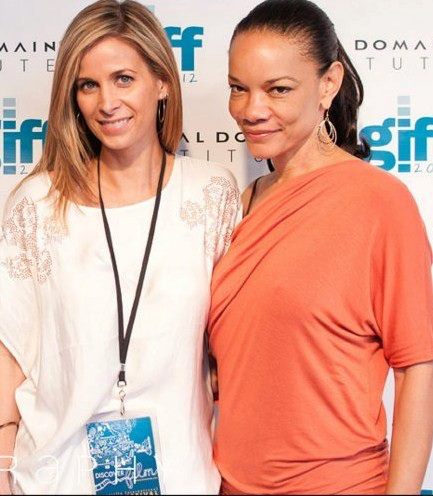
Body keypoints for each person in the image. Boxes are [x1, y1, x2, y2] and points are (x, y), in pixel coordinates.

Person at [0, 1, 241, 494]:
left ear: (163, 82)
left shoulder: (211, 194)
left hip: (183, 477)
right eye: (88, 85)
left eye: (124, 79)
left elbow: (235, 346)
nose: (106, 102)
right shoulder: (38, 204)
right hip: (54, 478)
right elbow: (10, 354)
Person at [207, 0, 433, 494]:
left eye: (278, 89)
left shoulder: (380, 203)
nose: (251, 110)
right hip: (230, 484)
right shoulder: (243, 202)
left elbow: (417, 368)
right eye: (238, 88)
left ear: (328, 84)